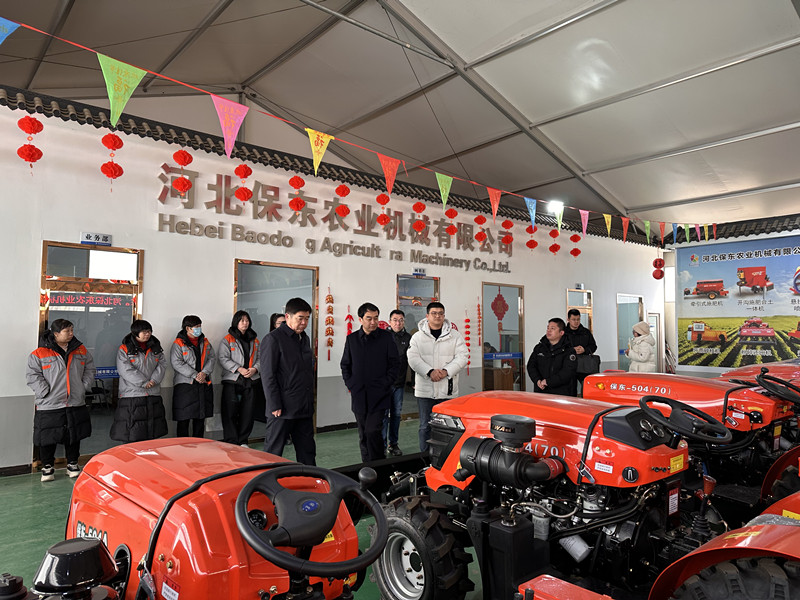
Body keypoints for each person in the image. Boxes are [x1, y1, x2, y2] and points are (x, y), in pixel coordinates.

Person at [26, 319, 95, 481]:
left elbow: (90, 368)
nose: (71, 334)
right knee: (48, 436)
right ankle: (47, 466)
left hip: (75, 401)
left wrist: (83, 387)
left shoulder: (80, 350)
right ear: (56, 334)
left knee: (74, 435)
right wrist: (45, 392)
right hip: (50, 403)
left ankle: (72, 464)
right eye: (67, 331)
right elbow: (32, 375)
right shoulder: (39, 353)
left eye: (72, 330)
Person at [260, 297, 316, 465]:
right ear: (288, 316)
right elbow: (268, 375)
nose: (304, 323)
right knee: (273, 453)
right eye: (300, 318)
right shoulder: (273, 339)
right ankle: (268, 479)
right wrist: (274, 404)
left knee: (307, 451)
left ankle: (310, 479)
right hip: (282, 409)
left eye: (307, 318)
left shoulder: (304, 339)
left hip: (304, 406)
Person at [407, 302, 469, 453]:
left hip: (447, 390)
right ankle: (425, 457)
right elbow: (413, 358)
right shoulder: (417, 337)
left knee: (448, 427)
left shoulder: (455, 336)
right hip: (425, 391)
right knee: (425, 426)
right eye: (434, 313)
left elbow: (463, 356)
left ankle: (445, 457)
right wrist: (429, 372)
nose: (437, 316)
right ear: (427, 316)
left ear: (444, 315)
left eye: (440, 313)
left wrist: (446, 371)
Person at [341, 303, 399, 462]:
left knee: (373, 430)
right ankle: (366, 467)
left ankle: (378, 464)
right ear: (360, 319)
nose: (373, 322)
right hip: (359, 394)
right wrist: (351, 384)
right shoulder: (352, 339)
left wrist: (386, 383)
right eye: (369, 318)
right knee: (363, 434)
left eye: (376, 318)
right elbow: (345, 364)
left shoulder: (386, 338)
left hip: (379, 394)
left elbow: (395, 364)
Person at [111, 319, 167, 443]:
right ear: (135, 332)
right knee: (132, 432)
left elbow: (162, 365)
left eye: (149, 331)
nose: (147, 334)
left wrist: (154, 380)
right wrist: (143, 382)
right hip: (132, 395)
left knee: (151, 432)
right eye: (144, 332)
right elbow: (125, 369)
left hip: (153, 393)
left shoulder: (156, 347)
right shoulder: (125, 348)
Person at [218, 310, 260, 446]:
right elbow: (223, 358)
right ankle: (231, 441)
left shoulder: (255, 340)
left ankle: (243, 440)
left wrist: (255, 369)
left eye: (247, 320)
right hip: (233, 380)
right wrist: (239, 369)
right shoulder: (228, 339)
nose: (245, 323)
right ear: (236, 322)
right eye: (242, 320)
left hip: (250, 380)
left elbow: (261, 358)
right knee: (230, 412)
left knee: (248, 413)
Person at [170, 315, 215, 437]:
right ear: (187, 328)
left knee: (200, 418)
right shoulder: (178, 343)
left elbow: (212, 358)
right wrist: (195, 375)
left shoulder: (205, 342)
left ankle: (199, 445)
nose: (199, 329)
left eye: (200, 326)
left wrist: (204, 373)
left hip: (203, 384)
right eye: (196, 327)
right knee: (183, 419)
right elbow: (176, 363)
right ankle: (182, 446)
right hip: (185, 385)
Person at [527, 318, 577, 396]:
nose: (549, 331)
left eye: (552, 328)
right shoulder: (539, 348)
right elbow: (531, 366)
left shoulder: (569, 351)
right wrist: (537, 380)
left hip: (562, 394)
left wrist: (548, 382)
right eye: (548, 328)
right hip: (541, 391)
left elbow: (567, 372)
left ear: (561, 332)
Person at [384, 309, 411, 456]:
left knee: (396, 415)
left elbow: (412, 360)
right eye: (395, 320)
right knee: (383, 415)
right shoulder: (382, 337)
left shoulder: (408, 338)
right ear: (390, 321)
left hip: (399, 384)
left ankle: (393, 444)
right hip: (383, 385)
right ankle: (382, 444)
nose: (398, 323)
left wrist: (413, 381)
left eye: (401, 320)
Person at [564, 308, 598, 394]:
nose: (576, 322)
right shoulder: (563, 333)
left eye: (578, 319)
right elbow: (560, 348)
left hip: (584, 365)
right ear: (568, 319)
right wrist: (572, 350)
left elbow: (593, 346)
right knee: (570, 391)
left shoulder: (586, 332)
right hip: (568, 366)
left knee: (587, 390)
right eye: (573, 319)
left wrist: (584, 350)